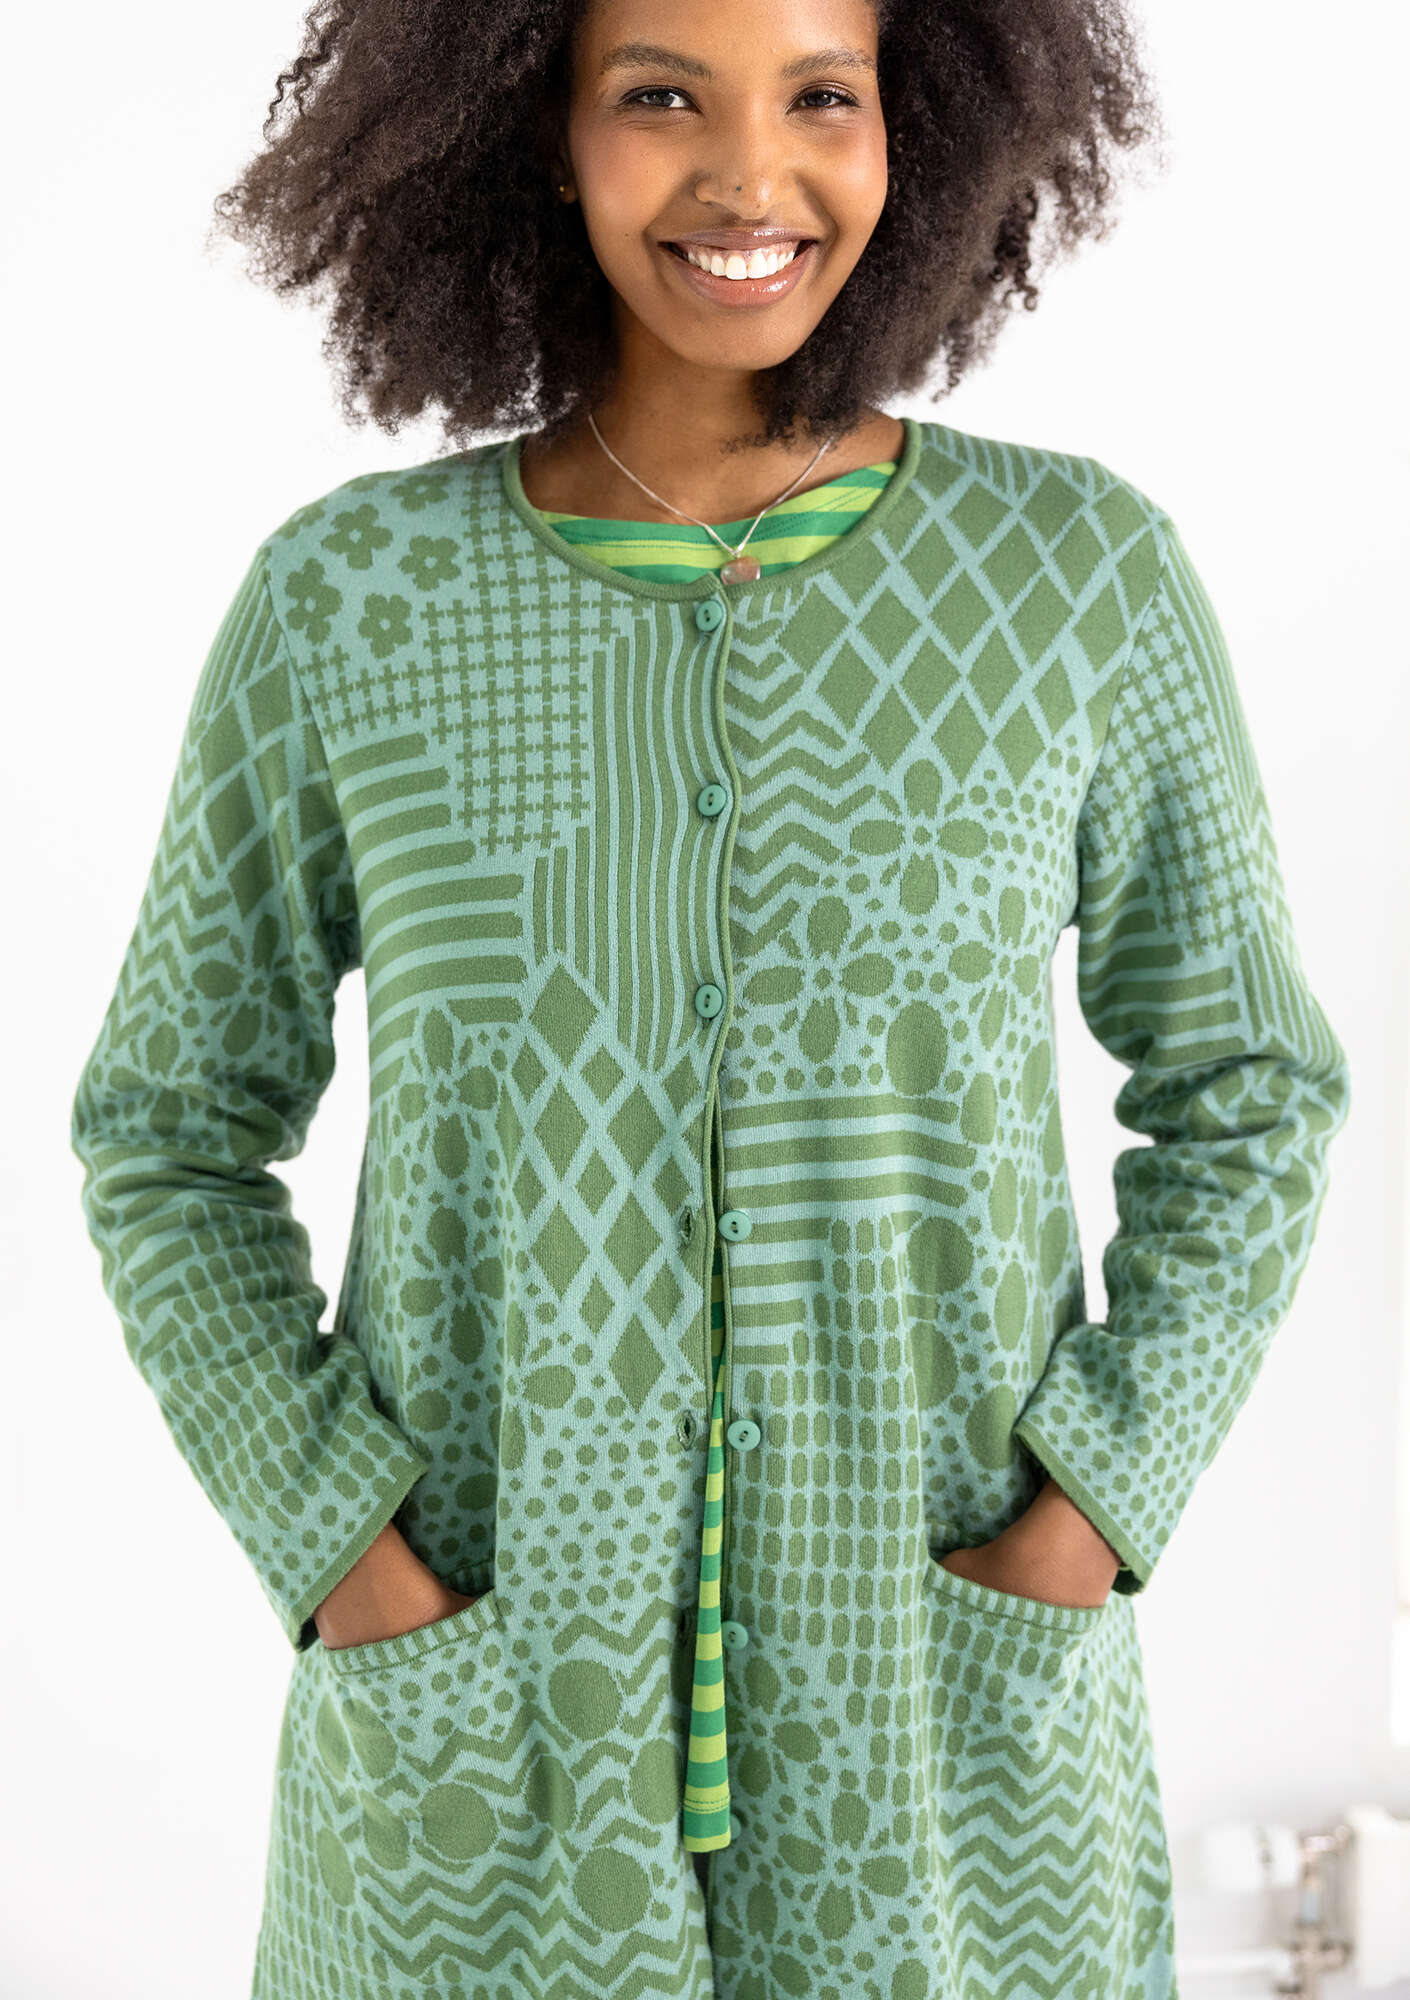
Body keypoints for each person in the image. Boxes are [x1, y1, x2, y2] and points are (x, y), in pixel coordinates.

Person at [70, 0, 1351, 1994]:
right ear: (536, 129)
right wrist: (340, 1548)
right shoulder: (352, 605)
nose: (751, 176)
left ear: (916, 126)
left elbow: (1252, 1085)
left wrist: (1094, 1503)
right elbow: (166, 1132)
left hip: (943, 1752)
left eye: (822, 96)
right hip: (477, 1746)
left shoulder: (1074, 579)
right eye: (659, 94)